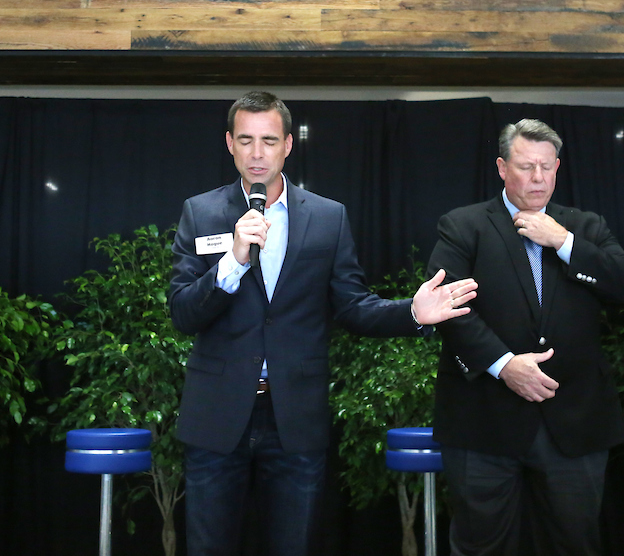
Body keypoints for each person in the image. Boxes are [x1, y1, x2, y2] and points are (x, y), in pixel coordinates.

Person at [168, 91, 477, 556]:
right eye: (246, 140)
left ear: (288, 145)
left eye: (269, 141)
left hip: (295, 417)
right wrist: (232, 260)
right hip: (216, 415)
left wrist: (412, 313)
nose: (257, 153)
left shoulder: (328, 217)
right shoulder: (201, 212)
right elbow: (183, 313)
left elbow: (352, 307)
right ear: (229, 144)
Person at [428, 118, 624, 556]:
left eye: (547, 167)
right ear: (502, 168)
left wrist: (564, 242)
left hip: (575, 422)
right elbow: (445, 306)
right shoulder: (463, 225)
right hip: (483, 422)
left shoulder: (585, 227)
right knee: (480, 546)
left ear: (558, 167)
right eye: (527, 167)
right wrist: (504, 365)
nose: (538, 178)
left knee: (575, 545)